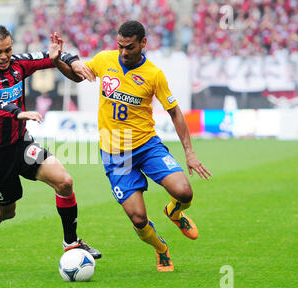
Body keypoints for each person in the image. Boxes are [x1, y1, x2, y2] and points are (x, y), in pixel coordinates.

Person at [77, 20, 212, 271]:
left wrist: (190, 153)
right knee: (138, 218)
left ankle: (174, 212)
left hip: (146, 146)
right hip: (115, 154)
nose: (124, 52)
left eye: (129, 47)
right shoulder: (104, 60)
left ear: (143, 43)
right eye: (120, 46)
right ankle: (161, 249)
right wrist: (57, 60)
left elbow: (175, 112)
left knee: (184, 192)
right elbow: (77, 74)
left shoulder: (154, 74)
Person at [0, 25, 101, 259]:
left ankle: (71, 243)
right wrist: (16, 111)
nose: (4, 56)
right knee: (7, 212)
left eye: (8, 50)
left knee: (64, 182)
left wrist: (74, 60)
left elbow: (50, 57)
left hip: (20, 144)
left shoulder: (18, 64)